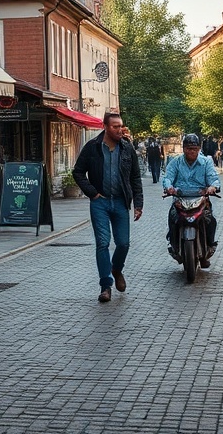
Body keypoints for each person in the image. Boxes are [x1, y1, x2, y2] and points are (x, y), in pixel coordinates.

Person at [72, 111, 144, 304]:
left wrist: (138, 204)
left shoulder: (127, 148)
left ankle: (116, 269)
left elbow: (135, 177)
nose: (120, 130)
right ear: (105, 127)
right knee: (103, 243)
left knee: (123, 243)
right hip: (100, 203)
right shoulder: (92, 147)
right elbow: (78, 172)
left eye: (121, 126)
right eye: (115, 126)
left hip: (120, 201)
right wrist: (92, 193)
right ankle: (105, 286)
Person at [162, 133, 221, 266]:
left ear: (199, 149)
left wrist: (213, 187)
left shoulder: (206, 162)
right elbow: (168, 178)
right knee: (172, 218)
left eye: (194, 149)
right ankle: (174, 246)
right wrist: (169, 187)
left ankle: (209, 246)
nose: (191, 151)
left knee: (210, 221)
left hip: (201, 200)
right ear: (183, 149)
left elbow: (213, 178)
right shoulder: (175, 162)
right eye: (188, 148)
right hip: (180, 200)